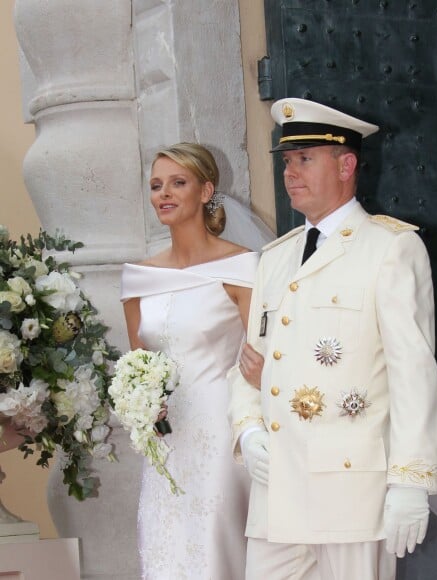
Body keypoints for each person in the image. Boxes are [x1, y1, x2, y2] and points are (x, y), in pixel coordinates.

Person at [229, 98, 437, 580]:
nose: (290, 173)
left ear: (346, 164)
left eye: (305, 159)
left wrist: (411, 480)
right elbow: (246, 361)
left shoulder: (390, 249)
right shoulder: (275, 258)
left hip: (351, 490)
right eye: (287, 161)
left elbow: (413, 373)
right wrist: (248, 428)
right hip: (277, 490)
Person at [121, 142, 261, 580]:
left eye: (177, 183)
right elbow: (136, 366)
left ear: (206, 191)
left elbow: (265, 357)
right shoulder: (139, 278)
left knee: (214, 545)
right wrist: (142, 406)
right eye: (156, 185)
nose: (164, 193)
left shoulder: (243, 267)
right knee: (166, 547)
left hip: (222, 432)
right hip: (165, 439)